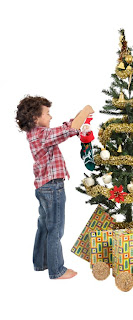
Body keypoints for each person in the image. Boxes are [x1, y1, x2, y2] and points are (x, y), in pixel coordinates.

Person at [15, 95, 94, 279]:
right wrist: (86, 109)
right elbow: (69, 131)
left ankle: (41, 263)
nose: (50, 117)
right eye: (47, 113)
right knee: (56, 229)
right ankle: (57, 270)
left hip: (44, 188)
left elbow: (67, 127)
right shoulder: (42, 134)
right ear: (36, 118)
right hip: (52, 187)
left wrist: (79, 117)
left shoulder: (36, 134)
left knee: (44, 226)